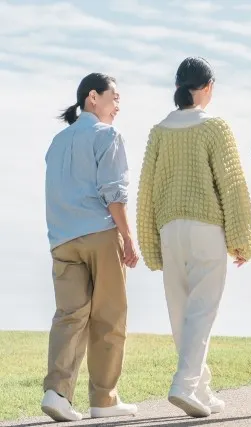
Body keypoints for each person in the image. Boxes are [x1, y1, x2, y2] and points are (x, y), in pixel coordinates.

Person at [136, 57, 251, 418]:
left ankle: (200, 389)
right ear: (206, 87)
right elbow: (232, 186)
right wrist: (243, 239)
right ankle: (185, 384)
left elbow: (146, 191)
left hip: (169, 229)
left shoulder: (159, 130)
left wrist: (149, 244)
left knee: (181, 313)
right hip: (206, 228)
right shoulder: (214, 127)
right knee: (202, 311)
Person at [42, 73, 139, 422]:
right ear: (92, 98)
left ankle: (57, 393)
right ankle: (104, 400)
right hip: (99, 234)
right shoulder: (107, 135)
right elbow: (114, 192)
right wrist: (128, 237)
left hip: (62, 240)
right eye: (115, 98)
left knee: (69, 317)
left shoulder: (56, 142)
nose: (118, 106)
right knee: (109, 317)